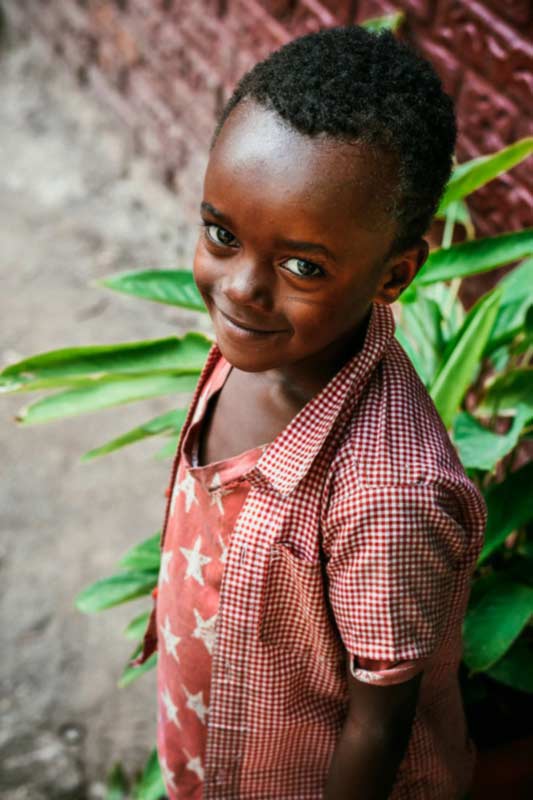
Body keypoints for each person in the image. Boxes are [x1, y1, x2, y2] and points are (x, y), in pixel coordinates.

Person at [135, 25, 487, 800]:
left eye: (302, 265)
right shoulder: (258, 341)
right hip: (212, 735)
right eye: (221, 234)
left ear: (393, 274)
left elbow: (377, 726)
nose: (239, 289)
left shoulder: (384, 497)